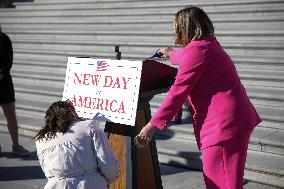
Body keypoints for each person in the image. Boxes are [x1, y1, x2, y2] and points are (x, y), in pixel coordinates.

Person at [138, 6, 261, 189]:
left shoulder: (197, 50)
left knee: (221, 183)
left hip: (223, 127)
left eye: (176, 29)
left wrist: (152, 125)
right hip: (233, 122)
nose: (175, 34)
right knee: (226, 181)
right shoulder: (208, 44)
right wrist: (171, 53)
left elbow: (178, 91)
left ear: (185, 29)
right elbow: (189, 56)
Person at [34, 100, 119, 189]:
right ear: (71, 113)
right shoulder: (88, 127)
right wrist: (108, 179)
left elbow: (47, 171)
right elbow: (107, 163)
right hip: (90, 184)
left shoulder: (41, 139)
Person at [0, 25, 30, 156]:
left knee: (11, 115)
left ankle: (16, 145)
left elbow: (8, 60)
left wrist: (2, 73)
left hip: (4, 82)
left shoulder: (4, 39)